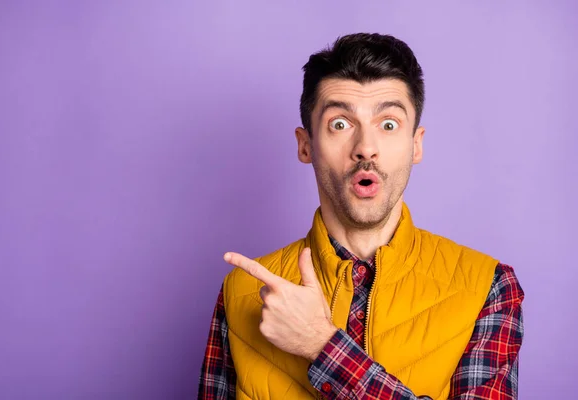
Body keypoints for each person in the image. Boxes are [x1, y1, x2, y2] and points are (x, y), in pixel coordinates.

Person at [197, 33, 524, 400]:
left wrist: (322, 346)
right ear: (306, 145)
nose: (365, 148)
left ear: (416, 145)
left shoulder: (487, 287)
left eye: (388, 124)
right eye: (340, 124)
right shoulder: (240, 294)